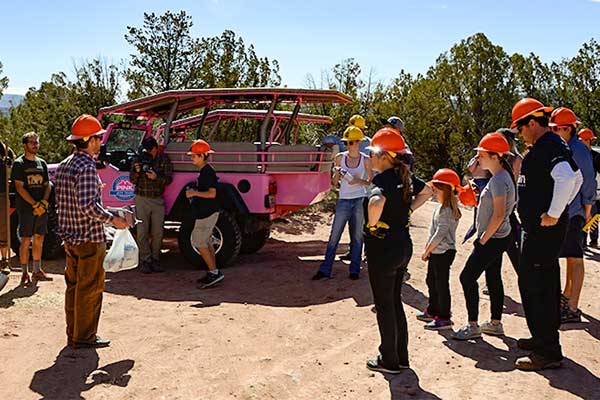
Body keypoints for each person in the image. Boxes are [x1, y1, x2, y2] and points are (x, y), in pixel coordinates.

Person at [511, 98, 581, 370]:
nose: (520, 133)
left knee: (537, 286)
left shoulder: (548, 146)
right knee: (539, 284)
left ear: (532, 122)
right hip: (539, 229)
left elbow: (568, 177)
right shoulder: (548, 145)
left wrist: (554, 212)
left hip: (542, 231)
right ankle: (542, 338)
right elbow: (576, 179)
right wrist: (558, 208)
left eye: (520, 128)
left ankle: (548, 351)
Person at [55, 114, 129, 348]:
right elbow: (88, 207)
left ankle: (73, 333)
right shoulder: (86, 166)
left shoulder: (66, 164)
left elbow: (71, 201)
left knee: (74, 288)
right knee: (90, 289)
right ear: (89, 140)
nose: (99, 142)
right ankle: (84, 336)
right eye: (97, 137)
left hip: (70, 237)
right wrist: (113, 220)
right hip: (88, 238)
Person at [363, 127, 432, 374]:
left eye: (372, 153)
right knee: (394, 302)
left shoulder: (381, 179)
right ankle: (401, 357)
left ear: (384, 156)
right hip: (403, 246)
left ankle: (389, 360)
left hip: (383, 249)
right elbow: (428, 191)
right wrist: (409, 209)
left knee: (384, 306)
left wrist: (372, 225)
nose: (369, 157)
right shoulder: (404, 176)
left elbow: (376, 201)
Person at [452, 133, 516, 340]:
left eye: (481, 154)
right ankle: (496, 324)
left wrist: (482, 240)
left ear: (495, 156)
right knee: (493, 276)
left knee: (467, 277)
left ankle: (473, 325)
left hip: (493, 238)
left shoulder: (498, 180)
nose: (478, 157)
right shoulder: (502, 177)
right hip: (500, 236)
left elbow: (498, 214)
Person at [549, 108, 596, 324]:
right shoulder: (566, 146)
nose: (553, 132)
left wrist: (587, 211)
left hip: (577, 212)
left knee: (576, 258)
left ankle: (573, 306)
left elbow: (588, 181)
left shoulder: (578, 149)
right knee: (569, 256)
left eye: (556, 128)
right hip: (569, 212)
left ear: (567, 128)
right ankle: (567, 297)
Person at [312, 126, 373, 280]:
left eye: (351, 142)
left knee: (358, 237)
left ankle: (354, 270)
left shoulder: (366, 159)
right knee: (334, 236)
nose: (349, 145)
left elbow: (370, 182)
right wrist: (337, 174)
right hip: (343, 200)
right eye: (347, 142)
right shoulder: (339, 157)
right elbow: (334, 183)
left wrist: (357, 180)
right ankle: (325, 269)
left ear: (359, 142)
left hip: (359, 200)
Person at [419, 168, 463, 331]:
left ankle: (444, 317)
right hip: (437, 251)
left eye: (437, 187)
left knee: (441, 284)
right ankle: (433, 310)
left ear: (444, 189)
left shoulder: (447, 210)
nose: (434, 190)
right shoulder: (440, 207)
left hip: (443, 252)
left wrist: (427, 250)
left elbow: (440, 234)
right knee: (432, 281)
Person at [11, 132, 52, 285]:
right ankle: (24, 273)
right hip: (27, 209)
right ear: (25, 145)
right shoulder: (19, 164)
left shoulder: (42, 163)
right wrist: (34, 204)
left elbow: (47, 186)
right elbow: (19, 187)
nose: (35, 145)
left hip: (41, 208)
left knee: (39, 238)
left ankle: (37, 270)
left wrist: (43, 202)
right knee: (26, 240)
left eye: (37, 142)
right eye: (32, 142)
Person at [130, 136, 173, 274]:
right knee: (142, 231)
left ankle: (155, 258)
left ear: (155, 148)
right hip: (141, 198)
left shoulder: (163, 159)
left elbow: (168, 179)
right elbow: (132, 179)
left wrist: (156, 177)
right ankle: (145, 260)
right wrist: (137, 172)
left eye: (150, 150)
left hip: (157, 199)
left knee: (158, 232)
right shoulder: (139, 159)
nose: (148, 152)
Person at [185, 139, 223, 288]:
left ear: (202, 155)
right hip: (208, 212)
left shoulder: (208, 172)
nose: (192, 159)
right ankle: (213, 272)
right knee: (206, 242)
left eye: (194, 156)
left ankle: (214, 272)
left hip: (206, 213)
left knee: (199, 242)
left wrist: (194, 192)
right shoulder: (206, 171)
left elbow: (212, 193)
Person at [578, 128, 600, 246]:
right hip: (580, 189)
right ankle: (582, 241)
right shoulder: (577, 154)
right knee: (582, 216)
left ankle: (594, 239)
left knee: (593, 216)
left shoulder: (596, 156)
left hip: (593, 190)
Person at [0, 140, 15, 291]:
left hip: (2, 193)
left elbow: (12, 160)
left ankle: (4, 260)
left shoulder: (3, 149)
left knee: (3, 226)